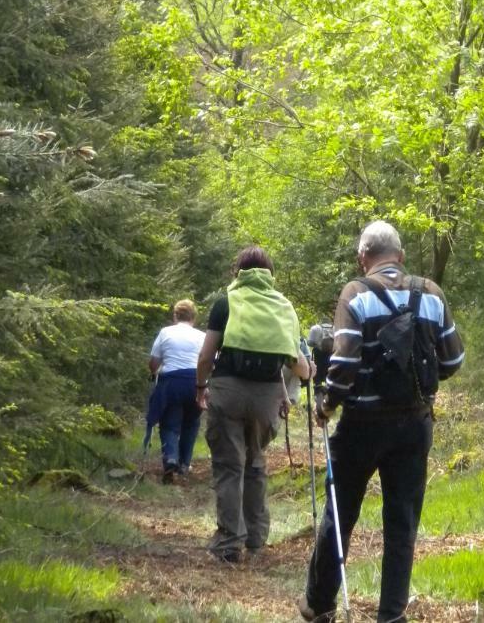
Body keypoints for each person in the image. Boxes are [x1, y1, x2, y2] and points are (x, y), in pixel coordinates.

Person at [300, 221, 465, 623]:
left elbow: (343, 363)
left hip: (362, 425)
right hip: (414, 424)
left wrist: (327, 404)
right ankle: (391, 615)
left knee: (340, 513)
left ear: (363, 258)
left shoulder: (355, 294)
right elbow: (453, 360)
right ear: (401, 256)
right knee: (402, 521)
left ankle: (319, 605)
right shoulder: (431, 294)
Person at [196, 246, 312, 563]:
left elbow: (207, 355)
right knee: (255, 464)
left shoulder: (226, 303)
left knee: (230, 467)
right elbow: (298, 365)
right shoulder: (283, 307)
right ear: (270, 275)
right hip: (265, 400)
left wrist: (200, 386)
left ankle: (229, 542)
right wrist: (305, 376)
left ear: (237, 273)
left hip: (227, 392)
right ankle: (257, 540)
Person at [147, 299, 206, 484]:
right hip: (195, 382)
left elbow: (154, 363)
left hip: (171, 383)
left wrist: (154, 373)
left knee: (169, 423)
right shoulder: (201, 336)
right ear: (193, 318)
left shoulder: (165, 332)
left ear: (175, 316)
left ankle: (170, 458)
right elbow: (209, 361)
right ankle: (184, 464)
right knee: (191, 423)